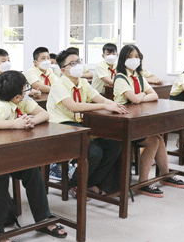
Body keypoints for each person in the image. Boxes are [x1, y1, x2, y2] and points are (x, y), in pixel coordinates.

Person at [0, 70, 67, 242]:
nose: (27, 91)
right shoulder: (0, 107)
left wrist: (29, 121)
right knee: (0, 177)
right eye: (24, 88)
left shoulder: (22, 101)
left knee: (32, 170)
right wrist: (14, 124)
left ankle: (43, 219)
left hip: (2, 152)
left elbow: (44, 114)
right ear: (16, 96)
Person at [47, 49, 127, 197]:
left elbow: (101, 99)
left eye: (78, 61)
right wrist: (105, 106)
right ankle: (74, 184)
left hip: (79, 127)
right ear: (63, 70)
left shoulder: (82, 82)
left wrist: (116, 105)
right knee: (94, 152)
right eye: (72, 63)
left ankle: (89, 183)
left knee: (115, 144)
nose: (77, 65)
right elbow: (74, 106)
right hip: (60, 128)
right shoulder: (59, 85)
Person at [113, 45, 184, 197]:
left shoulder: (139, 77)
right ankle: (143, 182)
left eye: (136, 56)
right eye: (130, 57)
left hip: (136, 118)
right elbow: (132, 99)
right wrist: (139, 96)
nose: (134, 60)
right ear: (123, 59)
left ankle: (165, 175)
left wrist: (138, 96)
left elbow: (154, 95)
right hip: (122, 122)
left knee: (158, 138)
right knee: (153, 141)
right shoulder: (120, 77)